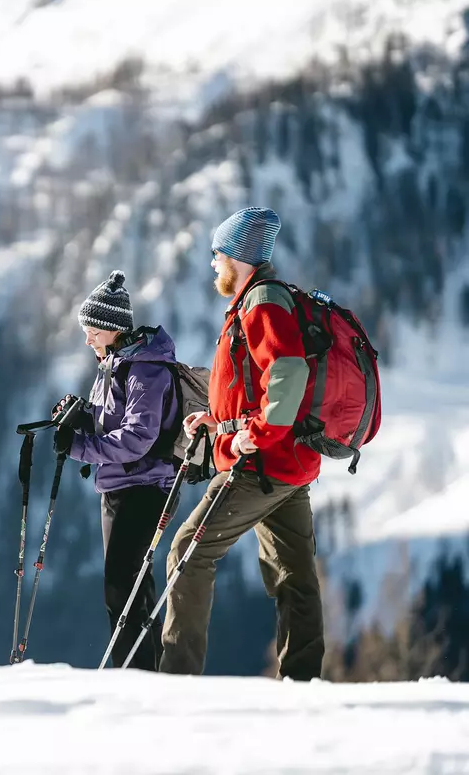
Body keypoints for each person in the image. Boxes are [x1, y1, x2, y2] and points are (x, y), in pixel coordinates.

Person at [161, 206, 324, 680]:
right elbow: (255, 383)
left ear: (239, 255)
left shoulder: (263, 302)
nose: (213, 263)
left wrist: (252, 436)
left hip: (260, 465)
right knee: (294, 577)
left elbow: (287, 374)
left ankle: (176, 680)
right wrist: (216, 421)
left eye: (218, 254)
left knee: (187, 553)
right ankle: (303, 682)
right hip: (289, 464)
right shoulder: (258, 300)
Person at [50, 270, 180, 671]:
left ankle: (135, 674)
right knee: (131, 587)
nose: (86, 338)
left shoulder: (145, 369)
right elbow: (113, 421)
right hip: (121, 488)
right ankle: (145, 670)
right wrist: (82, 415)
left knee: (122, 588)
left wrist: (80, 447)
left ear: (110, 329)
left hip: (144, 488)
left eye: (91, 330)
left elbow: (138, 436)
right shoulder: (116, 364)